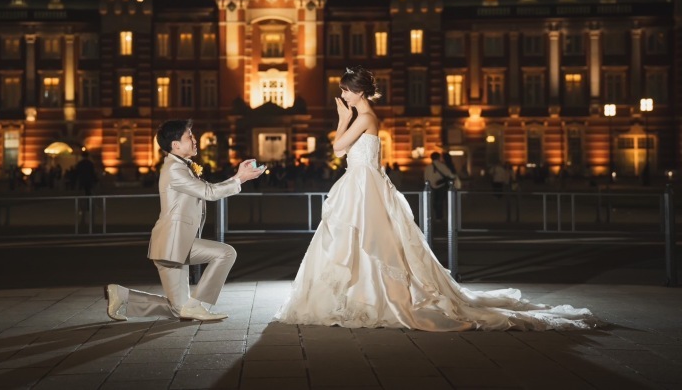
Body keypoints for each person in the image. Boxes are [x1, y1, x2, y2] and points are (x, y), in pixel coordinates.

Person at [274, 66, 598, 331]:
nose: (342, 94)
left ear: (357, 93)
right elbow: (349, 151)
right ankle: (359, 290)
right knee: (360, 240)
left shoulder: (364, 117)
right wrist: (345, 118)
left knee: (365, 240)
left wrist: (342, 117)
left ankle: (368, 294)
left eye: (345, 90)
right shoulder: (367, 118)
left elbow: (337, 148)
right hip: (361, 184)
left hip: (362, 186)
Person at [105, 119, 264, 322]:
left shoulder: (181, 167)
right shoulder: (175, 169)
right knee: (226, 253)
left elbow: (209, 189)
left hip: (174, 245)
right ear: (176, 145)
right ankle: (198, 305)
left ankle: (121, 295)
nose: (195, 140)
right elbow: (209, 192)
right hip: (172, 244)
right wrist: (239, 178)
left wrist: (239, 177)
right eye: (190, 136)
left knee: (179, 310)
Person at [424, 151, 455, 220]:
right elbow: (450, 174)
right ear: (438, 157)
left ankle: (434, 216)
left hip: (431, 187)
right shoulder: (442, 165)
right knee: (440, 201)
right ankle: (440, 216)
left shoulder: (428, 167)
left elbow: (425, 178)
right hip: (441, 185)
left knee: (434, 201)